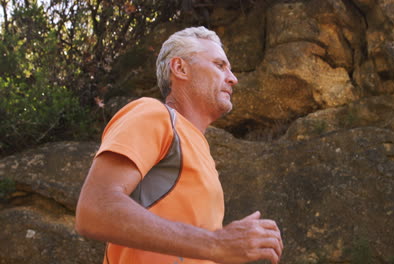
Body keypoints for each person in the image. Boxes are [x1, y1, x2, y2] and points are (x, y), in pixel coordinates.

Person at [75, 26, 283, 264]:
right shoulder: (153, 114)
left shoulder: (201, 150)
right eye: (219, 65)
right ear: (180, 68)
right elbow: (94, 209)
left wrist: (225, 247)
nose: (233, 78)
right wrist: (217, 244)